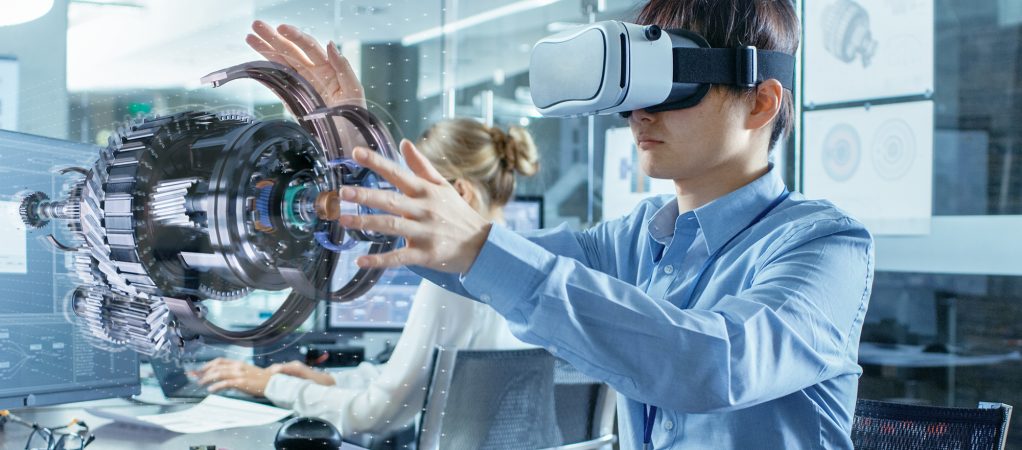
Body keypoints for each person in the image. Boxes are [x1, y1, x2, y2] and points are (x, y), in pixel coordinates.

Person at [325, 0, 875, 449]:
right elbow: (468, 265)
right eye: (636, 87)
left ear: (760, 104)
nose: (640, 112)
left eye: (671, 81)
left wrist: (479, 247)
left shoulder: (825, 246)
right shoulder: (634, 241)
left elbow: (714, 364)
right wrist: (361, 172)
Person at [193, 21, 542, 438]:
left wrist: (271, 384)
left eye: (414, 191)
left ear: (460, 193)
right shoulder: (530, 270)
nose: (402, 206)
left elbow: (373, 415)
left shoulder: (457, 281)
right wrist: (327, 380)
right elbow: (413, 384)